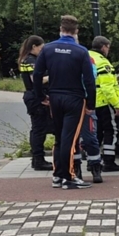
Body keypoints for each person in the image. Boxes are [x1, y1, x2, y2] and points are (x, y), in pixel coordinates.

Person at [33, 15, 96, 190]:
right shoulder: (81, 51)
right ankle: (69, 177)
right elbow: (89, 81)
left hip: (54, 97)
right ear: (76, 32)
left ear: (60, 30)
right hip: (74, 98)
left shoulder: (48, 49)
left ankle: (57, 176)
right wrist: (91, 103)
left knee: (59, 137)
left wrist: (41, 97)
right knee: (70, 137)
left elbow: (37, 75)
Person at [88, 36, 119, 174]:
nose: (108, 50)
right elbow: (108, 88)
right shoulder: (103, 63)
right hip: (103, 102)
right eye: (108, 47)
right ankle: (109, 162)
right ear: (104, 47)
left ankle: (93, 161)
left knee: (94, 133)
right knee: (111, 131)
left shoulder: (85, 56)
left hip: (89, 102)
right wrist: (117, 105)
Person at [17, 35, 53, 171]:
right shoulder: (30, 61)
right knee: (39, 130)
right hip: (36, 98)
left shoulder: (28, 59)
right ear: (34, 47)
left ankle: (38, 159)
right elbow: (36, 80)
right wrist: (54, 75)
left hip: (35, 97)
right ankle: (38, 160)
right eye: (41, 48)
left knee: (41, 129)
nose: (42, 51)